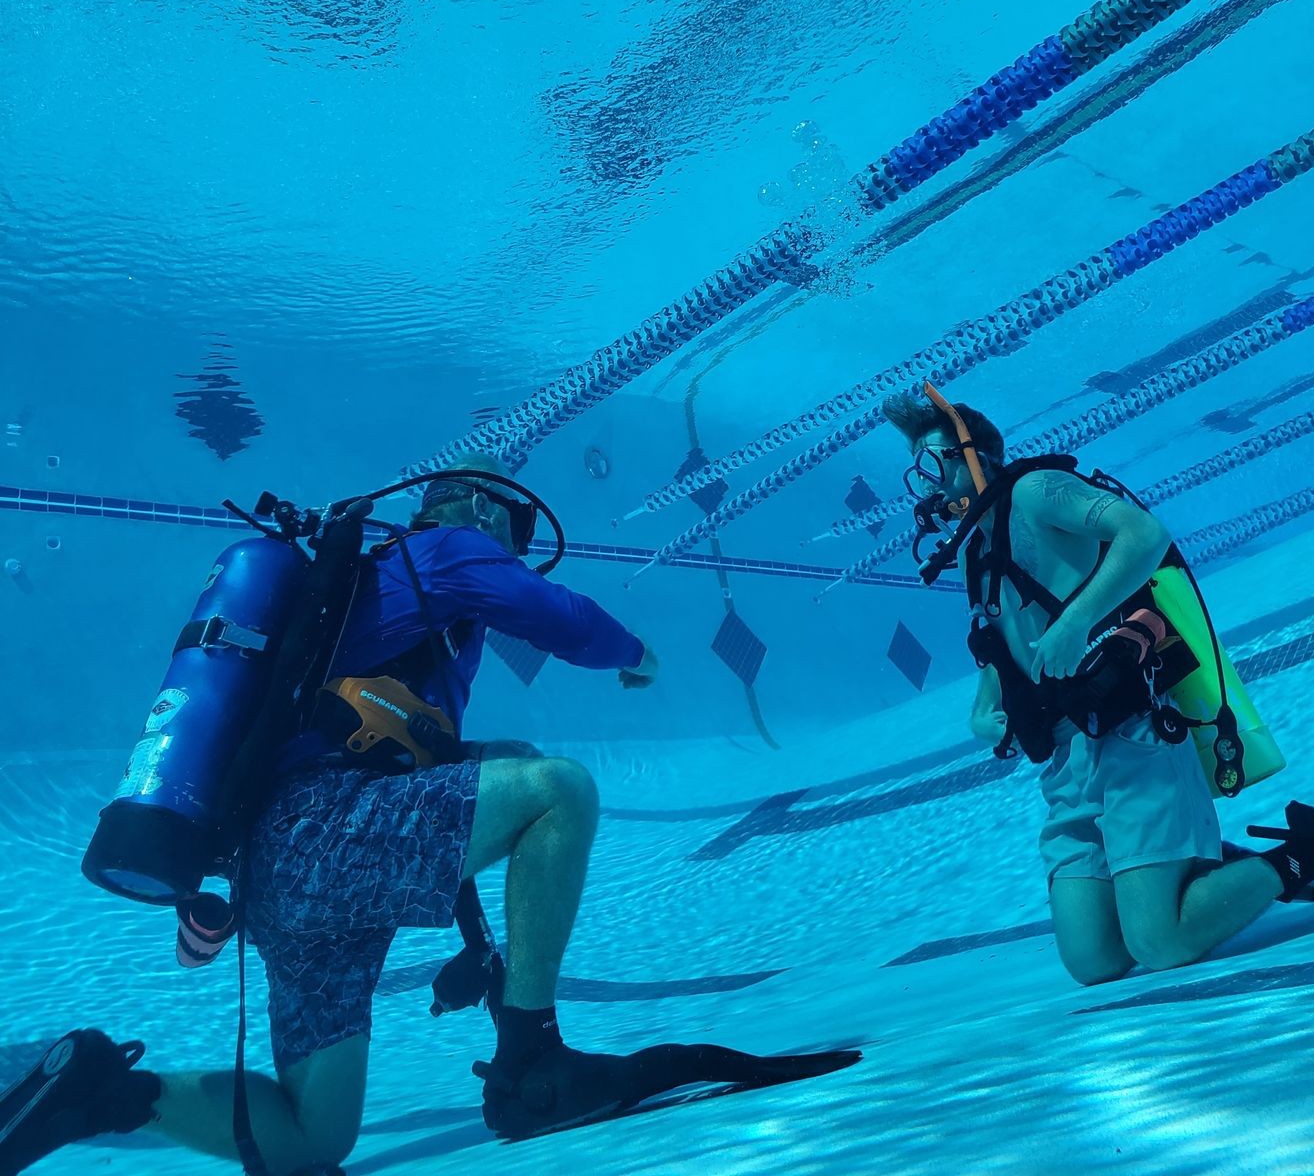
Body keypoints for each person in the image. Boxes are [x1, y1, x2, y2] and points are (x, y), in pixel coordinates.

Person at [2, 468, 853, 1176]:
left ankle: (98, 1091)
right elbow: (559, 620)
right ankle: (534, 1060)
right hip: (324, 832)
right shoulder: (441, 550)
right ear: (479, 511)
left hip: (283, 877)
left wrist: (480, 942)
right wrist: (638, 654)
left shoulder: (363, 614)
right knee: (560, 790)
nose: (512, 551)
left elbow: (388, 753)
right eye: (512, 531)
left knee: (311, 1140)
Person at [884, 388, 1314, 987]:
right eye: (917, 470)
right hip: (1064, 760)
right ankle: (1203, 872)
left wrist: (1077, 619)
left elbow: (1142, 531)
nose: (927, 484)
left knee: (1162, 942)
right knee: (1095, 961)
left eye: (934, 463)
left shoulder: (1033, 492)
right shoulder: (971, 551)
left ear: (974, 455)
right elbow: (998, 654)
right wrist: (987, 716)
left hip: (1134, 734)